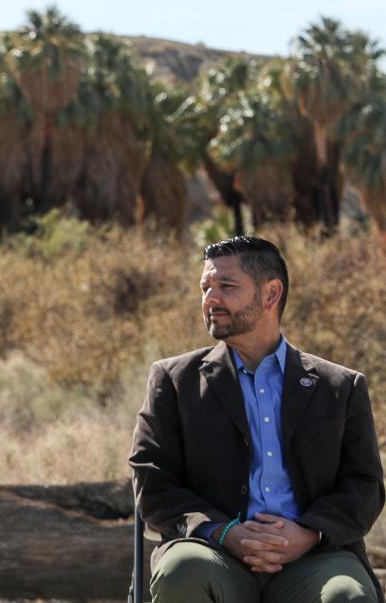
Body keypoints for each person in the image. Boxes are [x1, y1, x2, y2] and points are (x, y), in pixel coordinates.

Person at [129, 236, 384, 602]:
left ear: (270, 294)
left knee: (348, 595)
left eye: (226, 286)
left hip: (314, 558)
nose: (210, 299)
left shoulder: (339, 386)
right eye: (206, 287)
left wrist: (308, 534)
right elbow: (151, 478)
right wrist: (224, 531)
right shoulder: (174, 380)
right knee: (180, 570)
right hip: (213, 553)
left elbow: (365, 485)